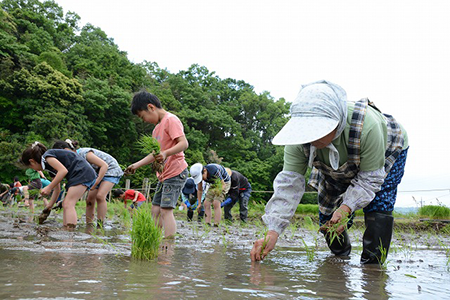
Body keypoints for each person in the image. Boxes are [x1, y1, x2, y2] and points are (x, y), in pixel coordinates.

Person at [250, 80, 408, 265]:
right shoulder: (299, 141)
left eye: (318, 130)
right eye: (308, 132)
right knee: (328, 214)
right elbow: (289, 187)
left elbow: (369, 179)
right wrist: (272, 232)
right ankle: (340, 259)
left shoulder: (368, 127)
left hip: (387, 150)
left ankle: (373, 268)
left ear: (337, 122)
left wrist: (347, 207)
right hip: (333, 164)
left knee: (379, 204)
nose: (313, 137)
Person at [125, 90, 189, 238]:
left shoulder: (171, 120)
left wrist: (166, 153)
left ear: (151, 107)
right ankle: (153, 239)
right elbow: (154, 155)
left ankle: (168, 243)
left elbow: (184, 143)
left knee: (166, 210)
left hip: (175, 172)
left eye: (143, 116)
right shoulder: (155, 130)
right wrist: (136, 165)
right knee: (155, 209)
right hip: (164, 175)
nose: (144, 120)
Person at [20, 141, 97, 228]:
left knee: (68, 204)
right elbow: (57, 190)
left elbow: (63, 171)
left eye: (31, 167)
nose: (34, 169)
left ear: (32, 161)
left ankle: (70, 233)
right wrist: (48, 207)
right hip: (81, 174)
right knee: (66, 204)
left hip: (82, 173)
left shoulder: (47, 157)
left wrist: (49, 187)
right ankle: (66, 229)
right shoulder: (49, 168)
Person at [52, 140, 124, 227]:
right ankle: (89, 224)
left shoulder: (84, 153)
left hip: (110, 170)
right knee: (89, 200)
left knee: (100, 196)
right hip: (95, 173)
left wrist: (96, 182)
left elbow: (104, 165)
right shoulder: (72, 161)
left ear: (66, 150)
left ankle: (100, 225)